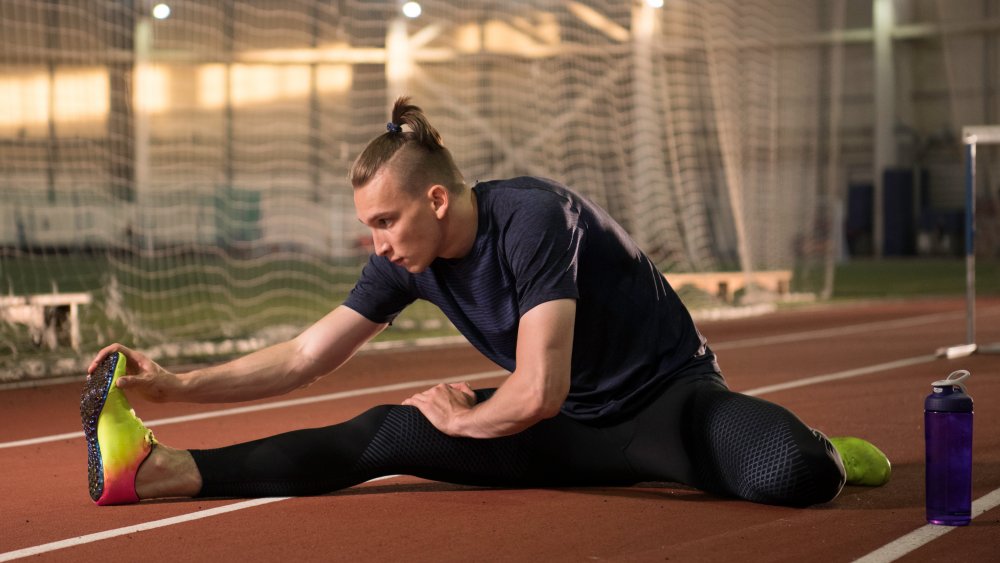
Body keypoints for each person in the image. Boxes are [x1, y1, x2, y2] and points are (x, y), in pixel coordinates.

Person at [82, 97, 890, 507]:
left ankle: (824, 441)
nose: (379, 245)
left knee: (794, 474)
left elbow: (539, 387)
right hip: (553, 433)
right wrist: (173, 383)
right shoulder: (407, 257)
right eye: (368, 228)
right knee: (385, 432)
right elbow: (304, 356)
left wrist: (463, 416)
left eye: (386, 222)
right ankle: (157, 472)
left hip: (662, 409)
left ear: (437, 200)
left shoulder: (536, 217)